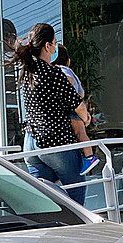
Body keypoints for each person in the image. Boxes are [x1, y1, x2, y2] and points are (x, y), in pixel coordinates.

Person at [14, 22, 90, 204]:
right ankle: (77, 231)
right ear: (48, 46)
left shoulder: (26, 72)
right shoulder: (53, 73)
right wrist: (86, 118)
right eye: (54, 43)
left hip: (31, 143)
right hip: (56, 141)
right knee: (76, 190)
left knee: (44, 199)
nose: (56, 47)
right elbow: (77, 103)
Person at [54, 45, 102, 176]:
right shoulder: (69, 70)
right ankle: (87, 155)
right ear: (68, 60)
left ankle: (89, 156)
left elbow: (70, 87)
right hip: (75, 107)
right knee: (79, 133)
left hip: (72, 108)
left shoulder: (60, 71)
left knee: (80, 133)